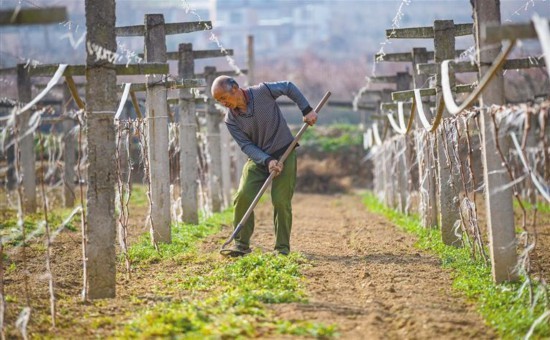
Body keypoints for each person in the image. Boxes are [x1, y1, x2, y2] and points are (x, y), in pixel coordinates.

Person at [211, 76, 318, 256]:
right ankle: (241, 245)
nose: (223, 103)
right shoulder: (231, 120)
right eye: (218, 101)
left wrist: (306, 109)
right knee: (243, 196)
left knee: (281, 201)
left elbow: (288, 87)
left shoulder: (263, 92)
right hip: (259, 159)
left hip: (285, 152)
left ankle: (282, 249)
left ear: (235, 88)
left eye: (223, 98)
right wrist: (267, 161)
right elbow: (246, 146)